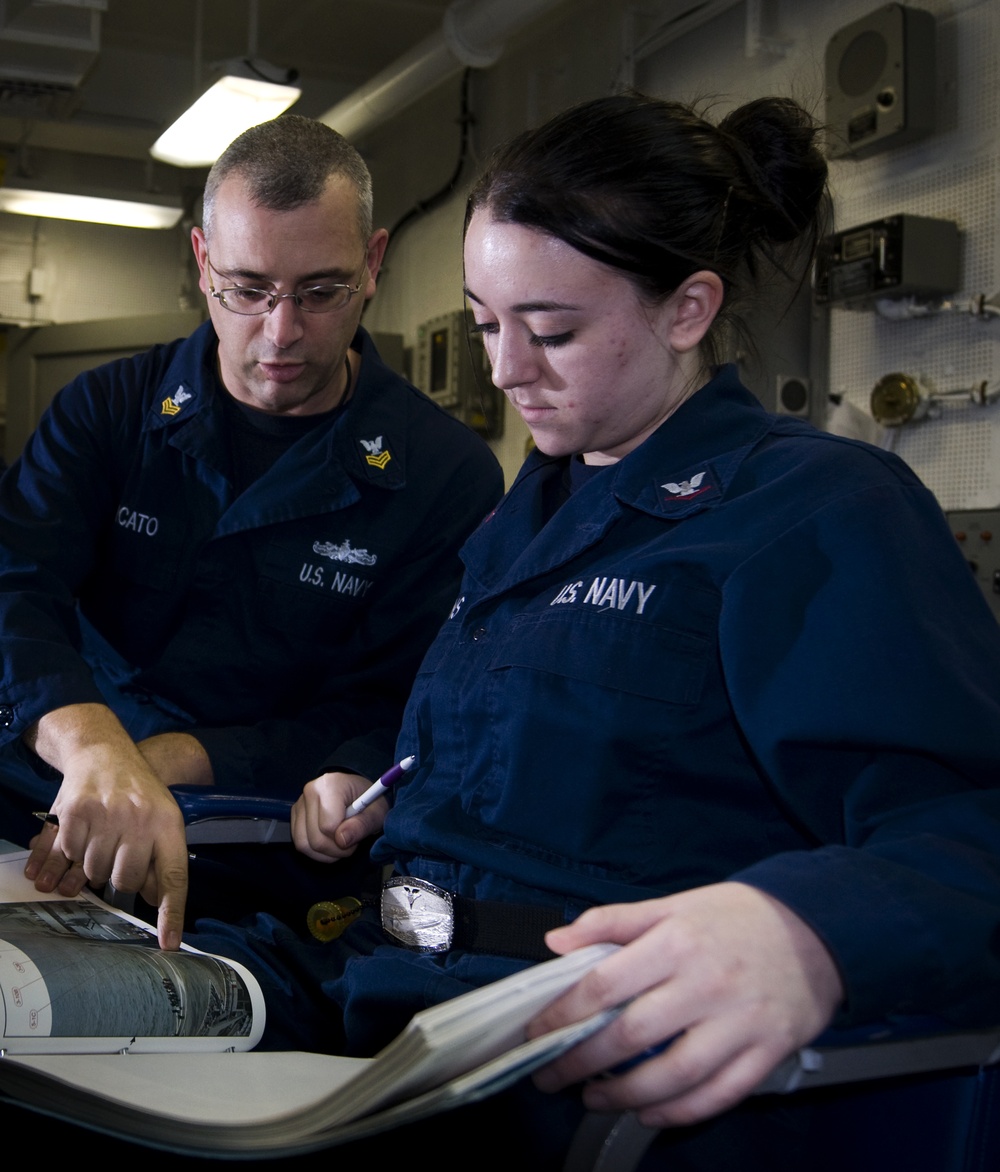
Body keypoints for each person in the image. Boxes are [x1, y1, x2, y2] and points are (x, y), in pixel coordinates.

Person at [193, 92, 1000, 1167]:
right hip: (370, 1004)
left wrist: (810, 930)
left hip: (549, 1076)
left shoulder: (812, 511)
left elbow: (968, 829)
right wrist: (377, 781)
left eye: (554, 329)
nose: (504, 369)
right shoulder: (514, 526)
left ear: (687, 308)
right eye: (485, 323)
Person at [0, 115, 503, 950]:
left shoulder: (444, 474)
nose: (281, 334)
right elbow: (17, 587)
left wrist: (162, 760)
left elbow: (395, 704)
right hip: (48, 792)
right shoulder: (107, 409)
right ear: (201, 262)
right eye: (247, 289)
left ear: (374, 265)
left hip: (257, 847)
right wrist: (93, 748)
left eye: (320, 292)